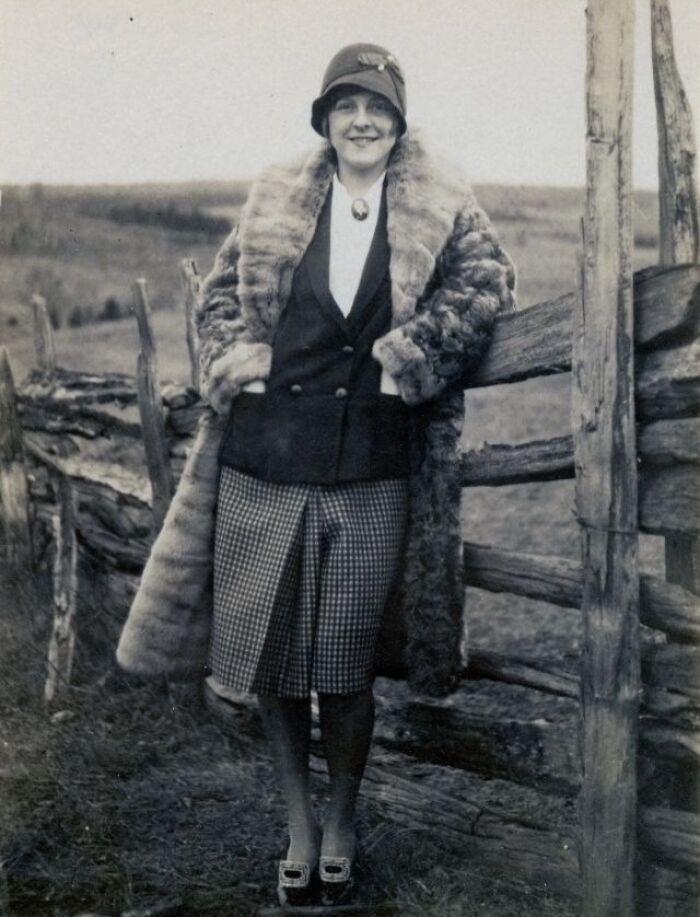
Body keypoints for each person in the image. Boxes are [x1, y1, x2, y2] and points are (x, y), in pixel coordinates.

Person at [117, 41, 515, 908]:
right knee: (271, 661)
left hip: (373, 468)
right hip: (266, 461)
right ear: (325, 120)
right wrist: (232, 354)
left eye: (377, 107)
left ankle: (341, 817)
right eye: (346, 107)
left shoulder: (443, 200)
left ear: (398, 122)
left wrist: (415, 352)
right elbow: (218, 294)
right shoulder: (277, 198)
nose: (362, 121)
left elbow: (488, 283)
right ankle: (296, 822)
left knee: (342, 664)